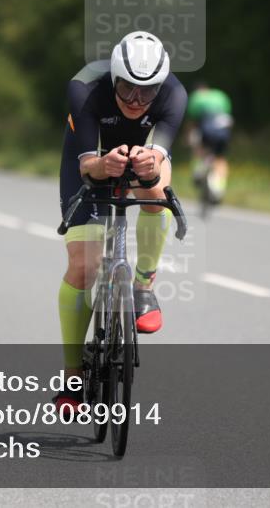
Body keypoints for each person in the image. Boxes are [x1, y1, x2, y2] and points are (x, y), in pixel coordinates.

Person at [55, 31, 187, 412]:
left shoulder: (174, 95)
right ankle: (72, 376)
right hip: (92, 154)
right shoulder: (85, 89)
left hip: (142, 152)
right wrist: (102, 164)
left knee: (155, 194)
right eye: (127, 88)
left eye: (147, 93)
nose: (136, 100)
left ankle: (143, 286)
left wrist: (147, 167)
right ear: (114, 77)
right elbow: (87, 168)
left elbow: (157, 163)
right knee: (84, 266)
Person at [186, 82, 233, 202]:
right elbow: (227, 115)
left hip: (207, 130)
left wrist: (188, 139)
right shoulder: (220, 95)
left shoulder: (196, 97)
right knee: (221, 158)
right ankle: (219, 188)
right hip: (223, 131)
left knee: (199, 148)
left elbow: (192, 122)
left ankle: (198, 171)